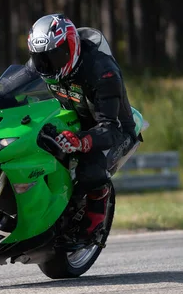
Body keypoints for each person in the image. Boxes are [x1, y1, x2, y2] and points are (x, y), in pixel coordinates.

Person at [25, 13, 141, 240]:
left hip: (113, 129)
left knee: (89, 171)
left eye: (55, 56)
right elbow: (18, 84)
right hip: (71, 118)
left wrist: (82, 140)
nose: (47, 64)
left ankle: (96, 215)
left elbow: (109, 127)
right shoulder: (41, 65)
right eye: (41, 58)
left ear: (70, 47)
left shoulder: (102, 71)